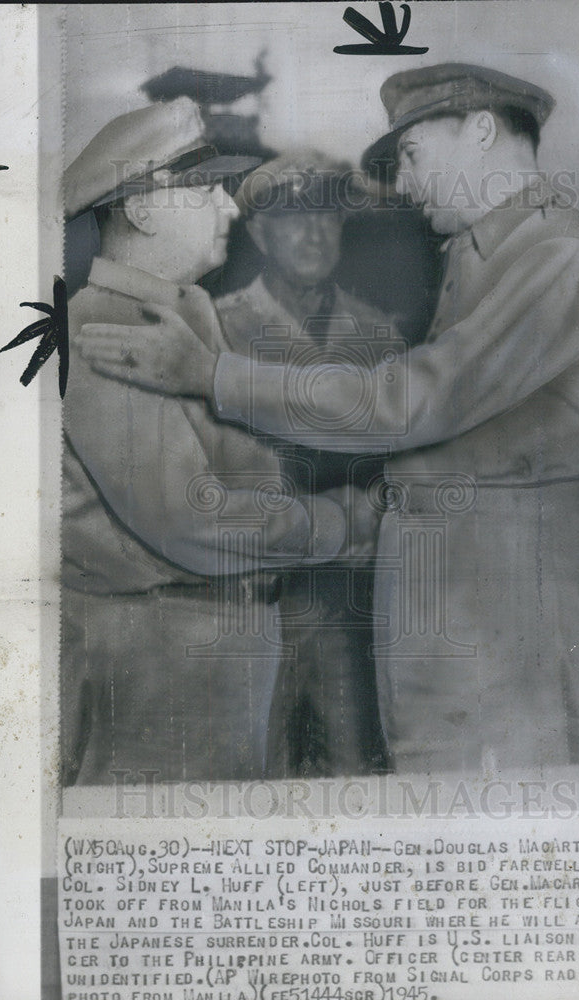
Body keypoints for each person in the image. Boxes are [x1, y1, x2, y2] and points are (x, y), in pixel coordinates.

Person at [79, 64, 579, 773]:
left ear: (483, 132)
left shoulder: (555, 253)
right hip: (440, 580)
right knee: (432, 786)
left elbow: (411, 402)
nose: (402, 185)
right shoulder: (483, 254)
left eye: (411, 155)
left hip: (498, 589)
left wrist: (212, 375)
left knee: (489, 804)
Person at [62, 98, 346, 785]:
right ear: (143, 209)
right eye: (206, 189)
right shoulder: (106, 327)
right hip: (158, 659)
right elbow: (189, 519)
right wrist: (341, 523)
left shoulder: (181, 317)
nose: (228, 208)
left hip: (217, 645)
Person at [216, 151, 396, 777]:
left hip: (345, 596)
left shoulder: (378, 335)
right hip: (241, 592)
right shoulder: (214, 329)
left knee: (353, 767)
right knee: (248, 773)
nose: (316, 233)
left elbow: (395, 468)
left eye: (330, 218)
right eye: (294, 219)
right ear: (260, 233)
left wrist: (373, 511)